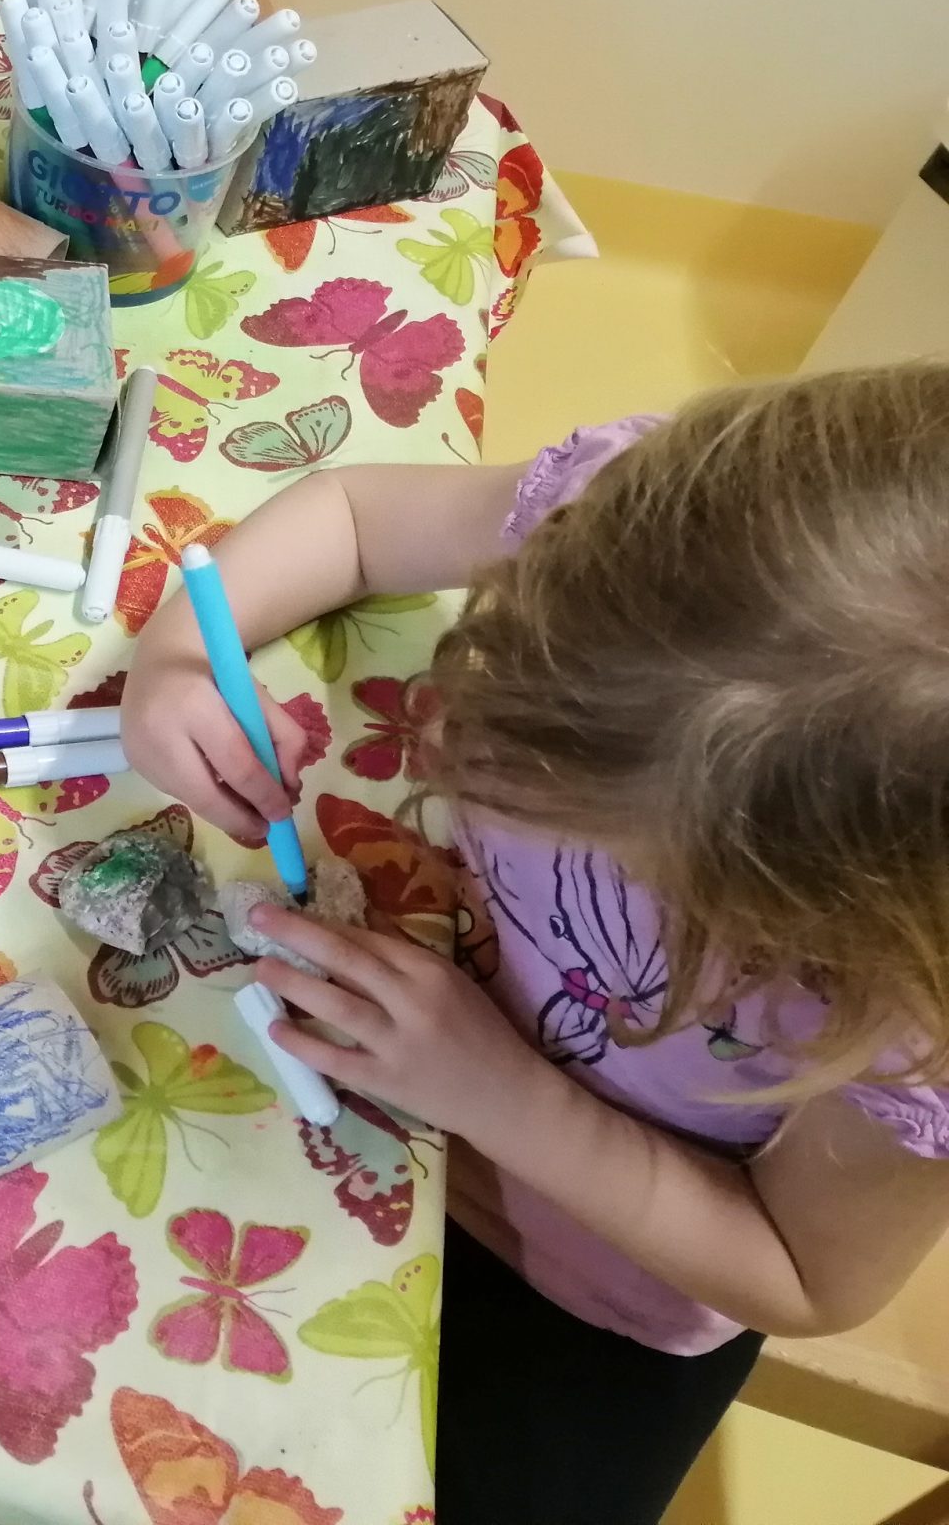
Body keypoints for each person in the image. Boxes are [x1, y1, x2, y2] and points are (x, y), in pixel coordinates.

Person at [121, 365, 949, 1525]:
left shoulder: (913, 1013)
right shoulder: (644, 533)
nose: (455, 757)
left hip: (588, 1281)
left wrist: (495, 1093)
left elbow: (802, 1276)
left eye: (561, 795)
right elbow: (352, 517)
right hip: (380, 1091)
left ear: (799, 918)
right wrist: (173, 661)